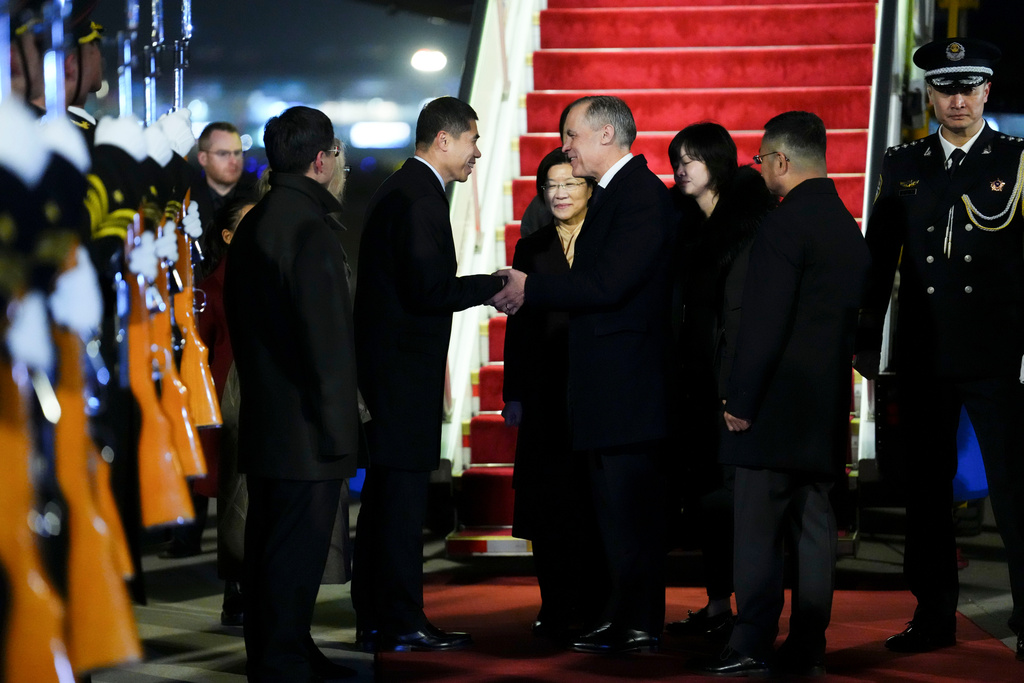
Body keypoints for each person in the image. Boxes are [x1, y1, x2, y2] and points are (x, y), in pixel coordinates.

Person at [856, 37, 1024, 661]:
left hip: (998, 351)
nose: (957, 98)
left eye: (968, 87)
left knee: (1014, 492)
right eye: (945, 88)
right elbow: (879, 263)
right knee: (925, 494)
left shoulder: (1017, 158)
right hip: (924, 352)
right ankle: (933, 616)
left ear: (986, 92)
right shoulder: (904, 164)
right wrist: (865, 344)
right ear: (929, 92)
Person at [491, 95, 676, 655]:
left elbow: (608, 286)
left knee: (631, 516)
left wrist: (532, 288)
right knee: (611, 517)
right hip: (604, 391)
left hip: (627, 390)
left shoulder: (639, 196)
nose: (565, 149)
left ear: (604, 135)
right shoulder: (619, 194)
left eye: (571, 135)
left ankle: (640, 621)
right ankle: (618, 615)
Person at [698, 111, 870, 677]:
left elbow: (763, 325)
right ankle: (808, 642)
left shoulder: (781, 225)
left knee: (756, 533)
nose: (761, 169)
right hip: (823, 410)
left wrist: (740, 402)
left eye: (760, 159)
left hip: (770, 409)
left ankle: (750, 642)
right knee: (815, 532)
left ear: (780, 161)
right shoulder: (847, 226)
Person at [351, 96, 504, 653]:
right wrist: (496, 284)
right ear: (443, 140)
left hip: (391, 377)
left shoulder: (403, 189)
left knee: (386, 503)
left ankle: (376, 617)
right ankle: (400, 620)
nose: (478, 153)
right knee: (400, 505)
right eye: (472, 141)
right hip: (402, 382)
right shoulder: (418, 197)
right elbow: (429, 290)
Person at [223, 105, 359, 682]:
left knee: (268, 549)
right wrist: (341, 430)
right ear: (322, 159)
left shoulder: (257, 221)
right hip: (307, 428)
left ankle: (284, 651)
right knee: (295, 555)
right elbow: (326, 344)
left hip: (267, 417)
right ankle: (282, 662)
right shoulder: (310, 229)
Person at [663, 122, 776, 642]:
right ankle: (716, 605)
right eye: (676, 158)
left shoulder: (753, 223)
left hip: (733, 383)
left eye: (692, 158)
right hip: (692, 382)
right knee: (706, 499)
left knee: (735, 501)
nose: (681, 167)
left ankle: (748, 616)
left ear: (719, 163)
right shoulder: (679, 222)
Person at [502, 148, 608, 642]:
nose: (561, 193)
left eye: (570, 183)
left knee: (592, 503)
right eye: (552, 185)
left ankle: (597, 605)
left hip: (595, 389)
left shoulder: (610, 241)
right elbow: (519, 327)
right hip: (545, 392)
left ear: (590, 187)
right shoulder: (533, 246)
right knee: (548, 505)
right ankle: (554, 604)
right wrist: (513, 392)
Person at [194, 122, 255, 231]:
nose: (233, 161)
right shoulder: (187, 201)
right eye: (223, 154)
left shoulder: (257, 198)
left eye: (237, 153)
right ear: (203, 158)